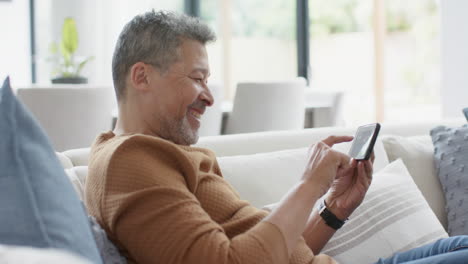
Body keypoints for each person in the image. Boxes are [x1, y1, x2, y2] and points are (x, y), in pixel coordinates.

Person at [85, 10, 468, 264]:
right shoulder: (129, 161)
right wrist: (309, 184)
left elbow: (274, 254)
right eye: (197, 78)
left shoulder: (167, 153)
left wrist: (333, 209)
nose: (209, 95)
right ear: (141, 76)